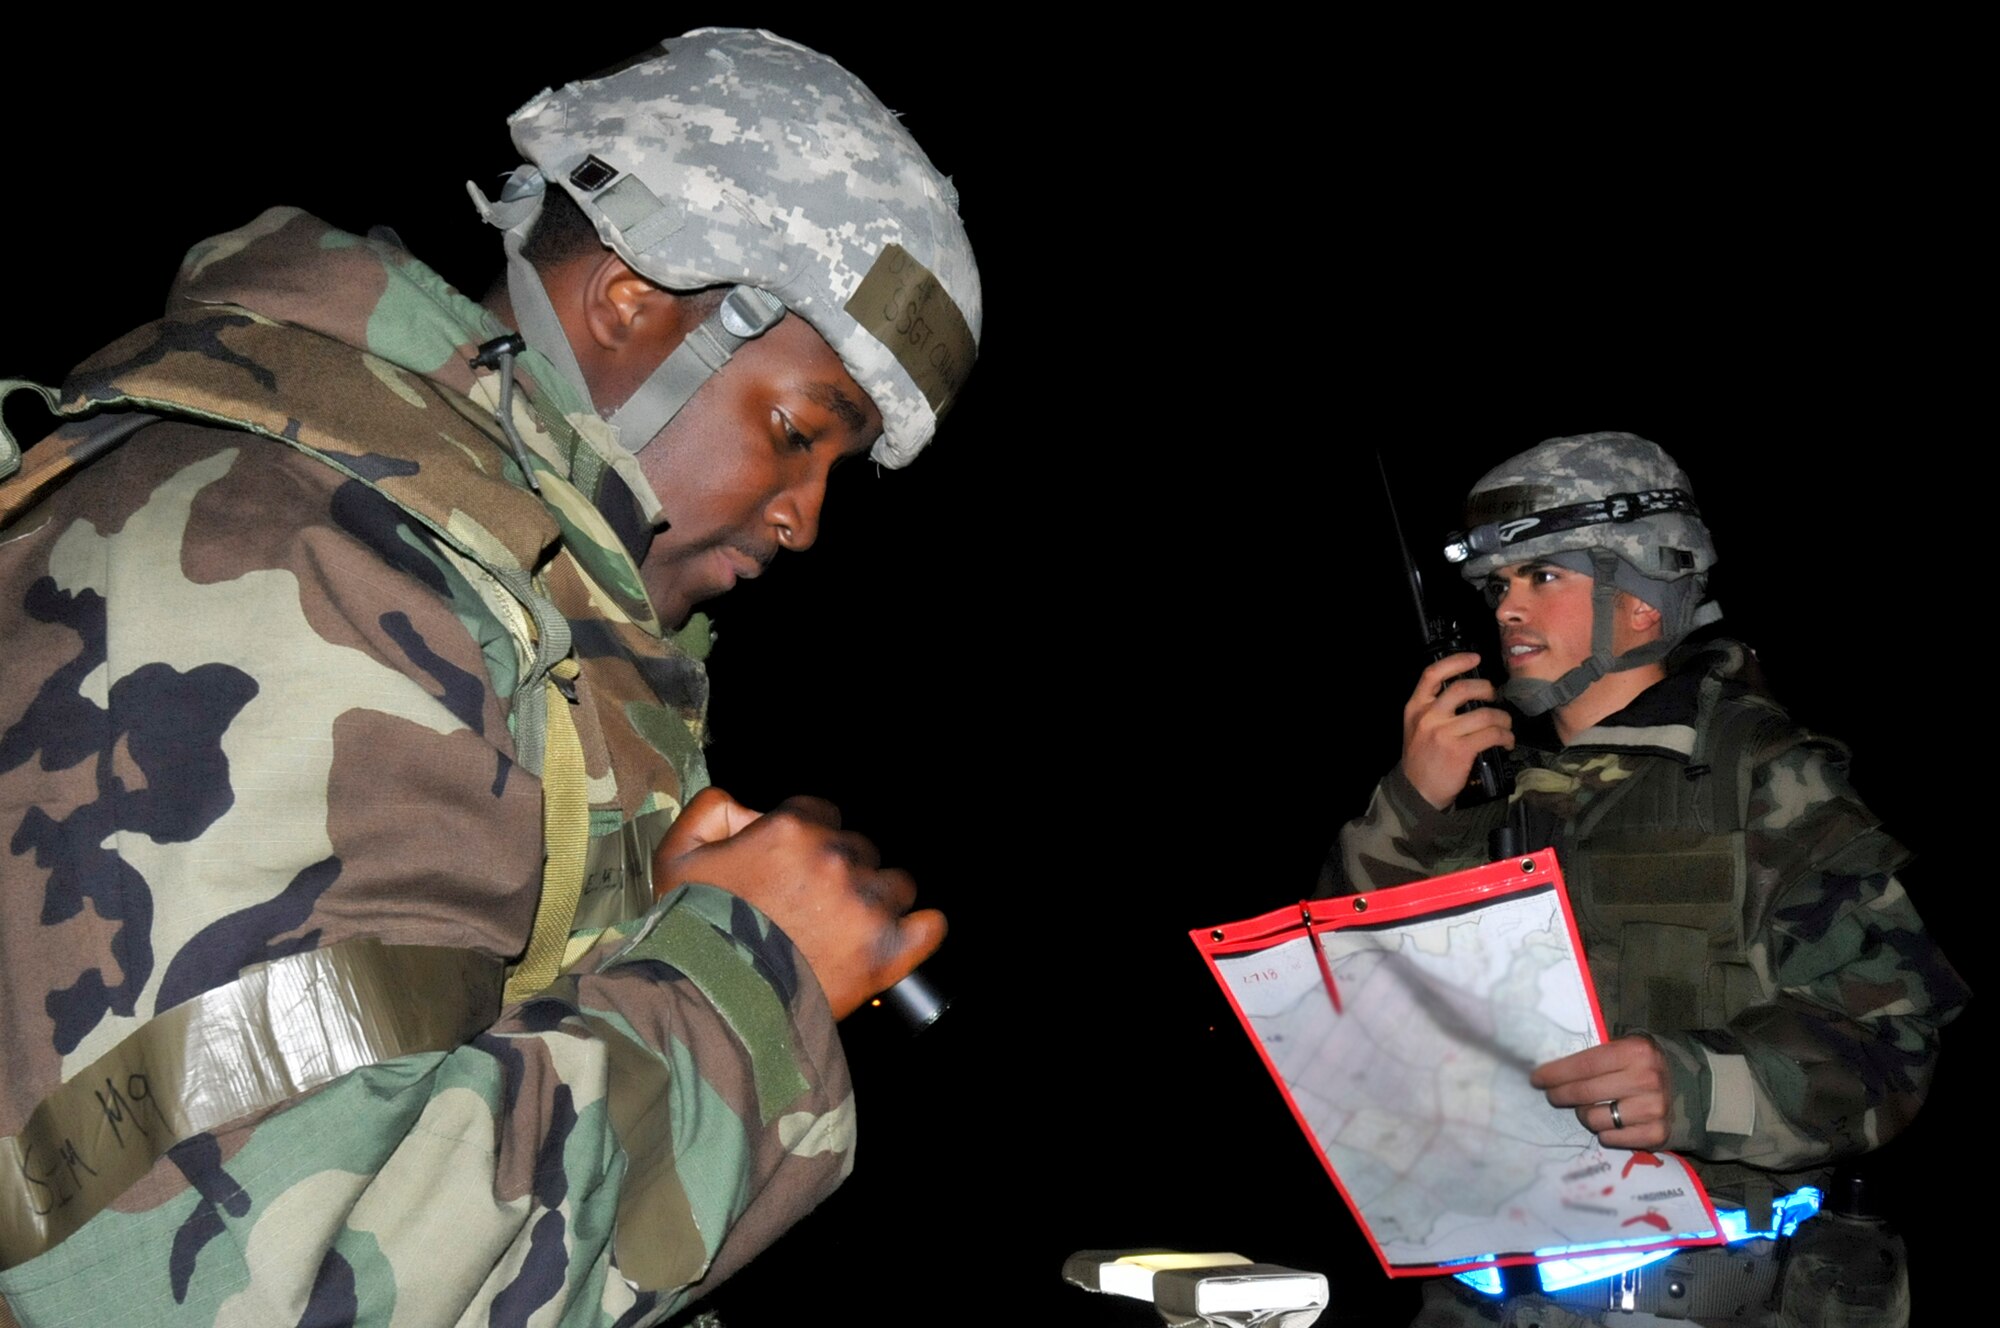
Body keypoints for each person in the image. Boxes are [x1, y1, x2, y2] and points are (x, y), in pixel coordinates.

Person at [0, 28, 978, 1327]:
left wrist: (659, 923)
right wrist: (750, 974)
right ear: (629, 301)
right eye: (796, 434)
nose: (804, 518)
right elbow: (235, 1293)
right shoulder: (307, 569)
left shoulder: (480, 596)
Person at [1329, 432, 1964, 1327]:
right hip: (1470, 1300)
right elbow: (1341, 1002)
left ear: (1639, 599)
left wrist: (1701, 1085)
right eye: (1500, 586)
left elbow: (1892, 1041)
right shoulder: (1476, 788)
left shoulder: (1760, 777)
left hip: (1693, 1305)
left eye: (1543, 576)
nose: (1508, 607)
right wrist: (1409, 804)